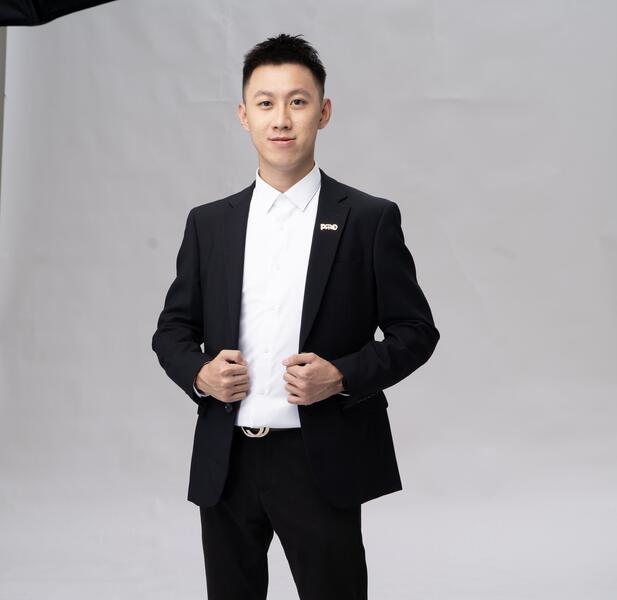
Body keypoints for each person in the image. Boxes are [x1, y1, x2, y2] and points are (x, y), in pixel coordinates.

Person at [151, 32, 439, 600]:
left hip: (320, 458)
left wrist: (342, 375)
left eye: (298, 101)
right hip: (227, 459)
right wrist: (200, 373)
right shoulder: (209, 223)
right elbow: (172, 331)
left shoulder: (369, 219)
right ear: (244, 115)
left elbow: (416, 331)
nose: (281, 119)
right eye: (265, 103)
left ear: (323, 112)